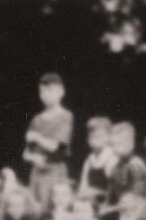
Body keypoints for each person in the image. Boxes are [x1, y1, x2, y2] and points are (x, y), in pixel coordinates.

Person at [23, 72, 74, 207]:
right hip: (37, 173)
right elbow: (26, 153)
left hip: (55, 171)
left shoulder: (65, 116)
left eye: (50, 90)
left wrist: (37, 137)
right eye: (42, 91)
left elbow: (56, 147)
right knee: (34, 209)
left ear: (61, 92)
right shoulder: (36, 120)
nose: (45, 95)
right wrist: (34, 158)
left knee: (53, 207)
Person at [77, 116, 116, 205]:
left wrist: (95, 193)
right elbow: (82, 187)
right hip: (90, 204)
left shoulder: (113, 158)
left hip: (109, 205)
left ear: (109, 137)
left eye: (99, 135)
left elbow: (114, 191)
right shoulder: (89, 160)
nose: (94, 137)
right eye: (91, 134)